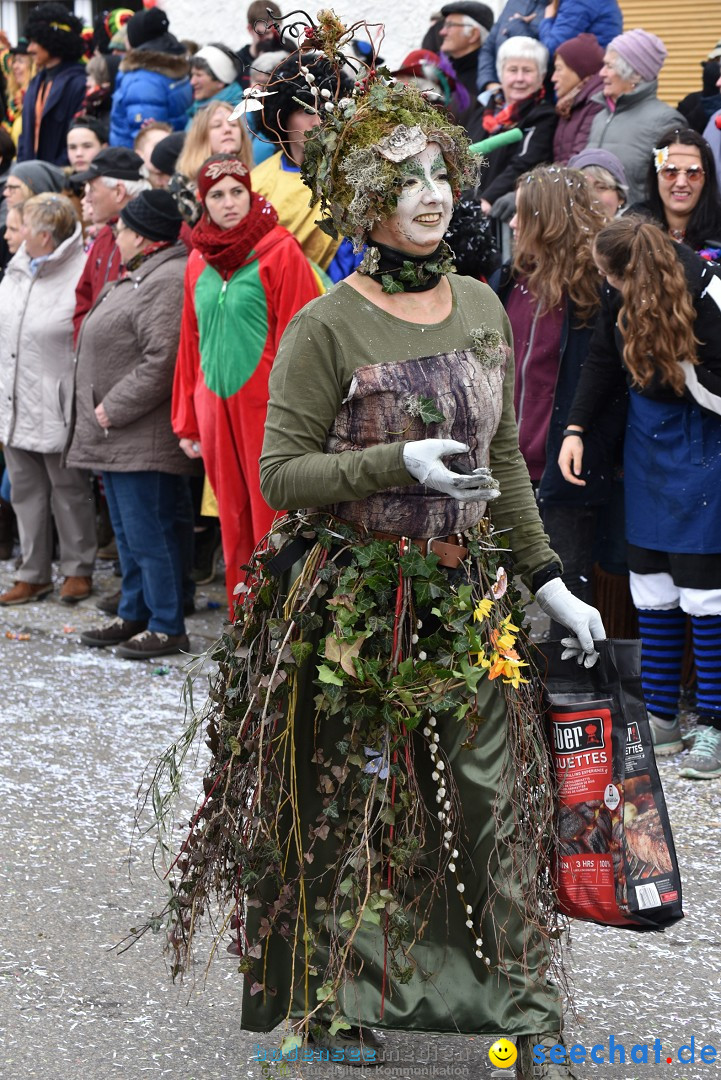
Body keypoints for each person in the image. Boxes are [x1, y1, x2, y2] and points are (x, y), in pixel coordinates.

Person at [155, 23, 605, 1077]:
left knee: (493, 811)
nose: (431, 195)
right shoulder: (327, 323)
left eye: (438, 175)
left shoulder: (488, 304)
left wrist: (548, 581)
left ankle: (527, 1018)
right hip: (353, 613)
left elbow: (500, 470)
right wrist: (394, 466)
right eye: (403, 180)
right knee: (357, 808)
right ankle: (341, 1010)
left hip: (462, 606)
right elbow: (279, 478)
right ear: (365, 201)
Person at [559, 217, 721, 780]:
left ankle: (713, 724)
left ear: (632, 271)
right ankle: (660, 718)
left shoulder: (704, 290)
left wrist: (682, 371)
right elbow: (603, 360)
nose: (609, 287)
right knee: (649, 585)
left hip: (703, 447)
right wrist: (576, 428)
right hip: (647, 451)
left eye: (611, 278)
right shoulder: (620, 296)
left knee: (704, 591)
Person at [172, 154, 321, 609]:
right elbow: (189, 343)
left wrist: (304, 411)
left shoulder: (280, 250)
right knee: (232, 519)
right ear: (204, 203)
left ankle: (285, 621)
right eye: (217, 195)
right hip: (213, 406)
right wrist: (186, 420)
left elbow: (305, 339)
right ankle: (246, 622)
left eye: (237, 191)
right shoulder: (197, 260)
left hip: (269, 410)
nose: (229, 202)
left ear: (251, 192)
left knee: (272, 515)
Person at [492, 166, 627, 635]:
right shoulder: (511, 282)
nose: (511, 222)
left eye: (522, 212)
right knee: (498, 597)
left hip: (565, 470)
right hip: (508, 467)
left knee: (568, 599)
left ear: (546, 218)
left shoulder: (595, 291)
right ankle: (511, 704)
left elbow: (608, 387)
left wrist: (593, 448)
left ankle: (575, 706)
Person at [69, 189, 199, 660]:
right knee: (129, 532)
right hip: (118, 437)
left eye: (120, 228)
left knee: (151, 532)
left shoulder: (165, 279)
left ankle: (166, 624)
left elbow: (162, 360)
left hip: (139, 433)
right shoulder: (145, 274)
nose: (114, 236)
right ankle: (135, 612)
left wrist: (111, 408)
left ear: (142, 236)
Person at [0, 193, 96, 606]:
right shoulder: (17, 267)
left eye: (14, 226)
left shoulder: (77, 270)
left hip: (58, 401)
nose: (8, 234)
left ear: (41, 234)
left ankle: (78, 569)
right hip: (13, 400)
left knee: (69, 489)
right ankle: (33, 572)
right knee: (25, 491)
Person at [249, 59, 361, 280]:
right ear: (282, 116)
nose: (319, 121)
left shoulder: (355, 175)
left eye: (325, 109)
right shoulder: (257, 183)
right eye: (306, 111)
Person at [584, 29, 685, 205]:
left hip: (635, 228)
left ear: (636, 74)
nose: (601, 73)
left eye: (610, 66)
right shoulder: (600, 117)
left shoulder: (665, 121)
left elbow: (674, 188)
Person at [469, 36, 556, 213]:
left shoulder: (543, 115)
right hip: (469, 207)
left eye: (527, 71)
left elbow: (524, 164)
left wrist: (487, 199)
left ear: (541, 77)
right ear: (501, 74)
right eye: (512, 70)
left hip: (506, 211)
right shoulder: (482, 112)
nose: (519, 78)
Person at [71, 146, 149, 337]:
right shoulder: (106, 235)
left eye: (93, 190)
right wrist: (84, 344)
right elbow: (84, 297)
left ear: (119, 192)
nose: (87, 199)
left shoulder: (163, 235)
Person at [628, 127, 721, 257]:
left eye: (693, 173)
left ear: (707, 179)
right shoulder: (632, 224)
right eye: (670, 173)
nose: (681, 183)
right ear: (656, 177)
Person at [109, 7, 192, 147]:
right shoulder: (172, 65)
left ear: (135, 38)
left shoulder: (142, 79)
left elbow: (146, 140)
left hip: (135, 162)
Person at [17, 4, 86, 165]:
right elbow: (25, 137)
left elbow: (80, 137)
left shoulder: (79, 83)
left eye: (35, 42)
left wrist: (54, 174)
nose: (30, 48)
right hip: (31, 178)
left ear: (52, 41)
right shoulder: (35, 83)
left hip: (61, 180)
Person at [173, 100, 253, 223]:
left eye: (233, 125)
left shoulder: (256, 174)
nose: (227, 130)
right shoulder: (182, 181)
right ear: (201, 137)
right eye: (217, 125)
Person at [438, 1, 494, 128]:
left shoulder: (486, 81)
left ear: (473, 34)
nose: (442, 32)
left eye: (450, 25)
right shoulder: (443, 72)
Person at [551, 32, 604, 164]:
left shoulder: (596, 103)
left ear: (580, 70)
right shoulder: (569, 103)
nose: (553, 78)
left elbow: (578, 160)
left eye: (559, 69)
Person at [476, 0, 545, 94]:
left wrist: (516, 26)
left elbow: (550, 56)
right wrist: (489, 82)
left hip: (536, 97)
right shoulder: (514, 2)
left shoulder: (559, 6)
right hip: (501, 95)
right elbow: (488, 49)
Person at [537, 0, 621, 59]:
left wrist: (547, 20)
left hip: (590, 73)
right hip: (599, 69)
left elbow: (554, 50)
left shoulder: (579, 2)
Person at [186, 43, 243, 124]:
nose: (192, 82)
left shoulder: (237, 117)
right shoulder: (199, 108)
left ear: (220, 81)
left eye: (199, 75)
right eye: (192, 75)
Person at [567, 146, 627, 219]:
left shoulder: (631, 229)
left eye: (601, 187)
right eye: (582, 187)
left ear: (620, 198)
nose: (592, 196)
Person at [235, 0, 284, 89]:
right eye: (264, 33)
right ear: (250, 29)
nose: (271, 37)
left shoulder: (288, 57)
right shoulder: (237, 62)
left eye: (276, 32)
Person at [0, 35, 34, 146]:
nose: (15, 66)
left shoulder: (35, 97)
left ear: (32, 66)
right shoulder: (14, 100)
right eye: (14, 61)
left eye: (20, 61)